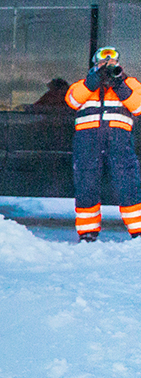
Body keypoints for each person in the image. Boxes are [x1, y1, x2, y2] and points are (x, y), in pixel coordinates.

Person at [65, 47, 141, 241]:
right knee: (86, 184)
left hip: (119, 141)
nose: (108, 67)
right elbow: (73, 101)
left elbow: (138, 106)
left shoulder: (130, 83)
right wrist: (94, 80)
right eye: (102, 64)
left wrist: (118, 83)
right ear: (95, 65)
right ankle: (88, 232)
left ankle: (138, 230)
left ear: (119, 64)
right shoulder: (83, 85)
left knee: (128, 183)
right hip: (87, 142)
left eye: (112, 64)